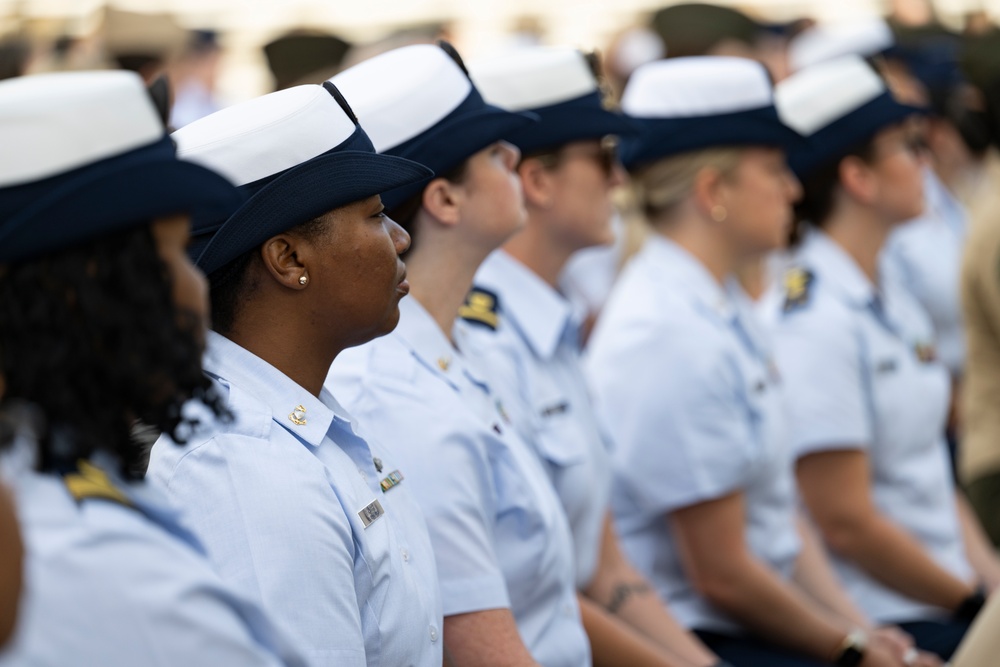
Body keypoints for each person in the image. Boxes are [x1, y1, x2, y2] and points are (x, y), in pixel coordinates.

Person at [586, 56, 925, 667]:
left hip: (766, 623)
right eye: (774, 170)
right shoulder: (665, 330)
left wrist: (861, 632)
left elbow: (779, 524)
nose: (794, 189)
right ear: (713, 192)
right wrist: (851, 648)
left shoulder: (716, 303)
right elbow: (722, 574)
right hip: (715, 638)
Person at [0, 69, 303, 666]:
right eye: (170, 255)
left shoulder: (66, 486)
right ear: (82, 291)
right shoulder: (87, 560)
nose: (196, 287)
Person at [145, 81, 442, 667]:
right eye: (377, 215)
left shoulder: (295, 421)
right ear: (289, 259)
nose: (401, 237)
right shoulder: (244, 467)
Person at [326, 42, 591, 667]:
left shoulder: (459, 346)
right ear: (445, 200)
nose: (516, 160)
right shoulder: (396, 391)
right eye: (495, 154)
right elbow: (479, 648)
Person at [462, 45, 724, 667]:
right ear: (536, 180)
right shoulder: (481, 343)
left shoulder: (553, 323)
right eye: (602, 157)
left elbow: (607, 570)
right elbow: (540, 593)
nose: (619, 178)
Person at [769, 55, 1000, 661]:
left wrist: (990, 582)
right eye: (908, 146)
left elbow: (928, 466)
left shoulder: (886, 291)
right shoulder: (813, 319)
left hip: (948, 597)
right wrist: (973, 605)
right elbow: (845, 521)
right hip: (893, 619)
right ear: (858, 178)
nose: (926, 161)